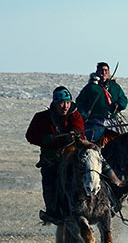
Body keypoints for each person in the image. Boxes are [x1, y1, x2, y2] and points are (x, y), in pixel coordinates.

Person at [25, 87, 85, 222]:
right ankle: (51, 211)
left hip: (72, 155)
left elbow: (80, 130)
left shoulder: (75, 115)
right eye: (61, 103)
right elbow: (30, 136)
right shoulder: (41, 117)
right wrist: (47, 139)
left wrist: (74, 134)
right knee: (49, 179)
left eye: (68, 102)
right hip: (52, 157)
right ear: (55, 103)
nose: (65, 106)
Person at [76, 62, 128, 142]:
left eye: (106, 71)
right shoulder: (91, 87)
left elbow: (123, 99)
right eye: (101, 70)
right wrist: (83, 115)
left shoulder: (115, 87)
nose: (104, 73)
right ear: (97, 72)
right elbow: (80, 102)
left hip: (113, 121)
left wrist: (119, 105)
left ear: (109, 73)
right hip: (95, 121)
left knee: (124, 142)